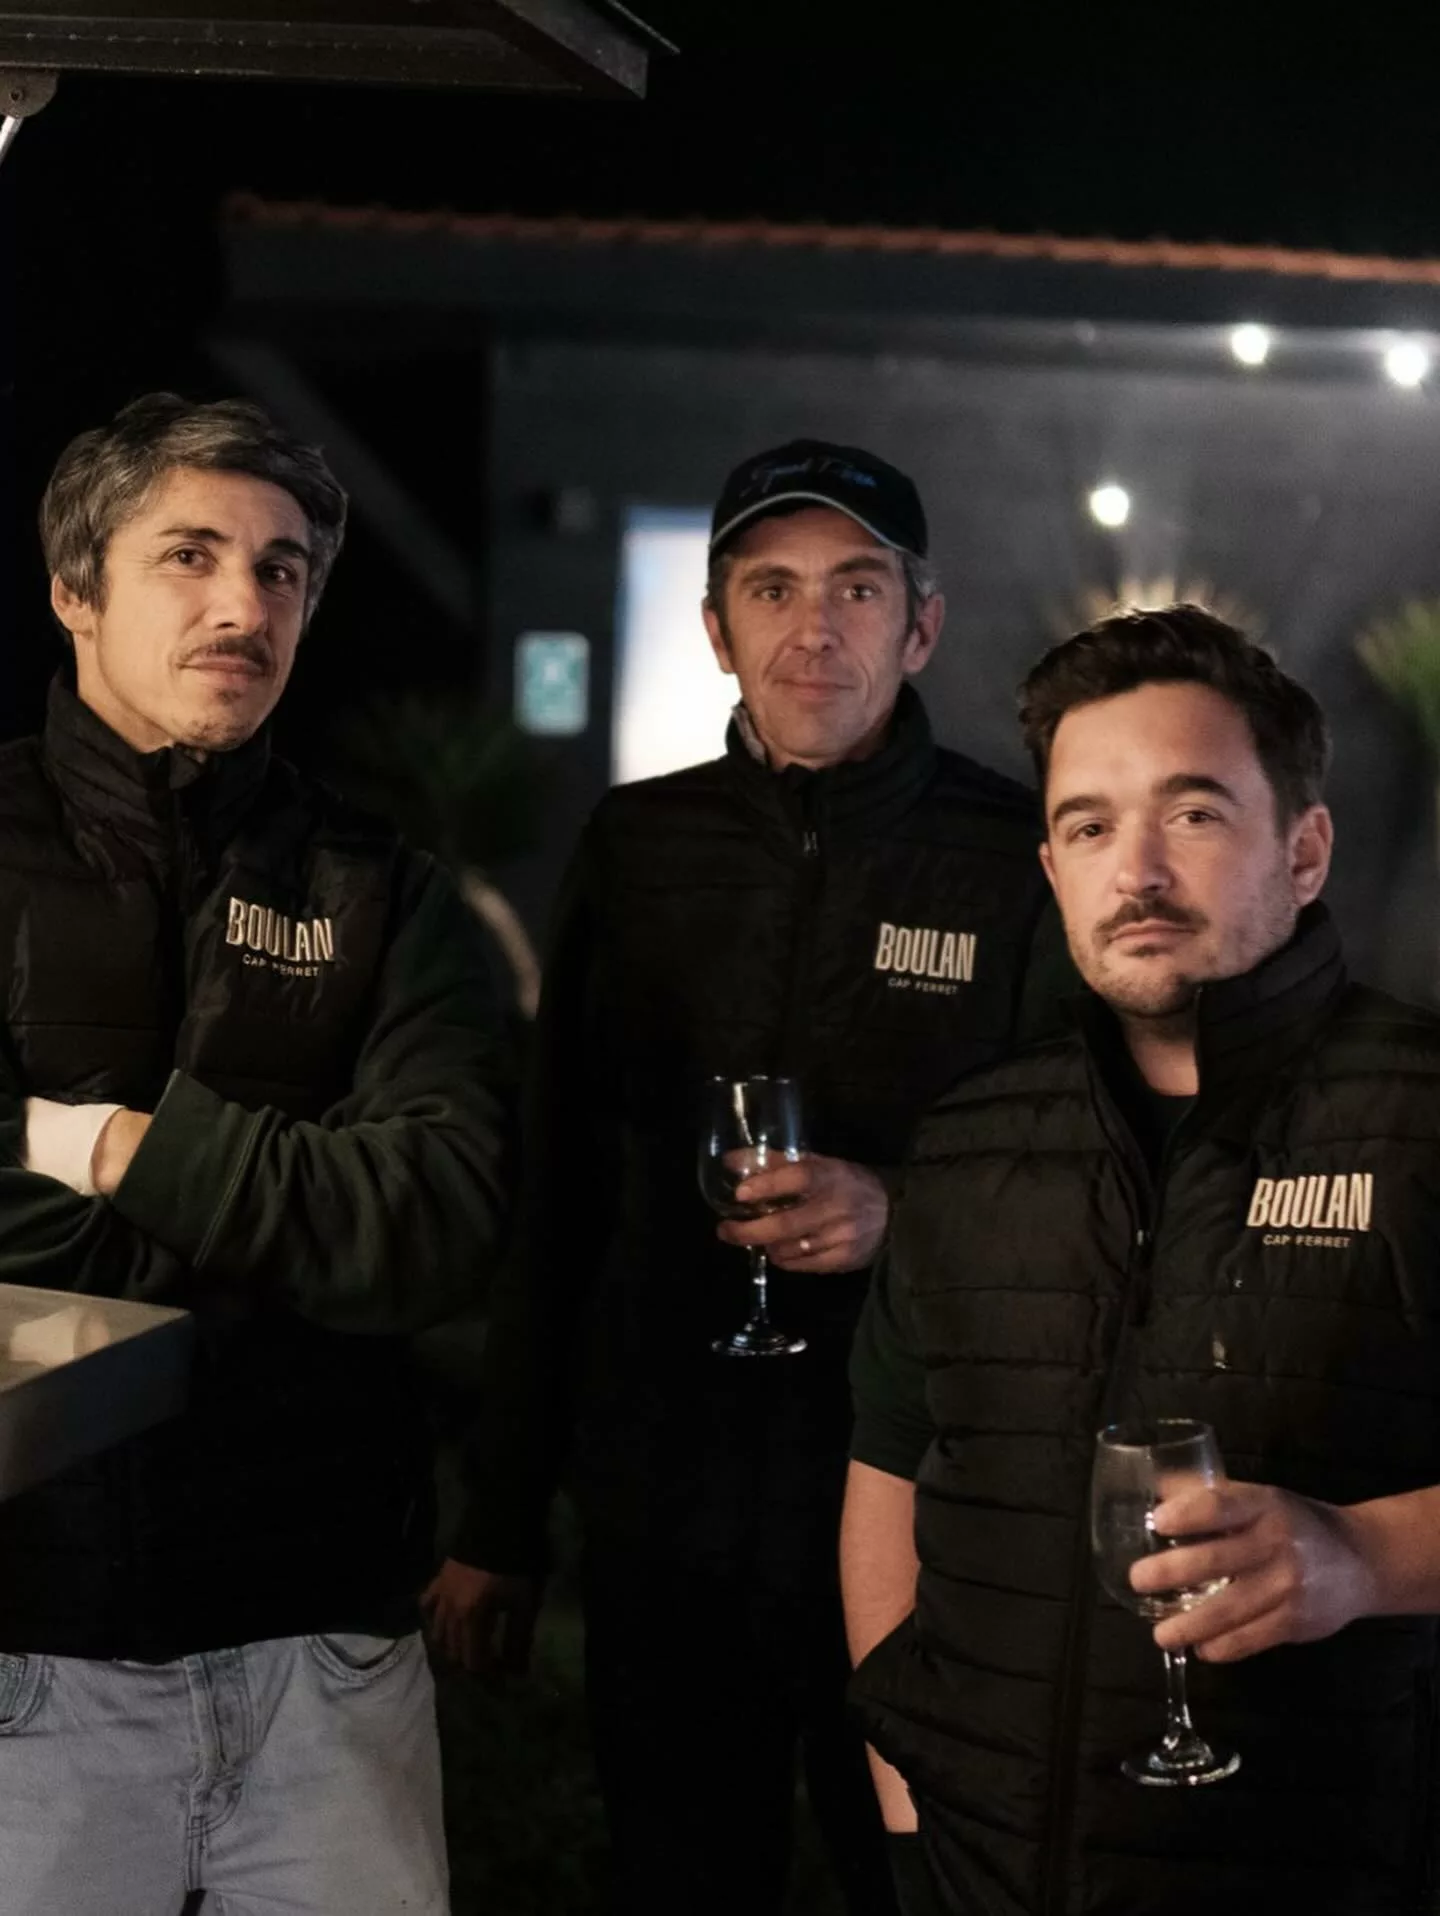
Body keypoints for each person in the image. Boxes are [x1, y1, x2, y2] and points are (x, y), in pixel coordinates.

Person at [425, 440, 1065, 1914]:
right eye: (771, 589)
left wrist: (903, 1214)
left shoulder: (1011, 859)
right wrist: (503, 1517)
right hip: (668, 1508)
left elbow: (1073, 1174)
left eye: (857, 588)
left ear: (922, 625)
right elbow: (561, 1189)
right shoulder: (639, 847)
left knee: (918, 1890)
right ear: (718, 628)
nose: (812, 627)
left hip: (923, 1518)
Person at [843, 603, 1440, 1916]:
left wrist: (1364, 1556)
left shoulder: (1422, 1117)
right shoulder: (970, 1142)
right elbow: (888, 1475)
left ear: (1306, 848)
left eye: (1195, 813)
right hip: (974, 1878)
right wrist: (908, 1807)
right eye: (1090, 827)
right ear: (1052, 870)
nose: (1139, 872)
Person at [0, 393, 513, 1915]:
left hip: (328, 1663)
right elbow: (359, 1232)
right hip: (30, 1656)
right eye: (190, 555)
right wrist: (294, 1228)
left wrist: (96, 1143)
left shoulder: (388, 894)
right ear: (74, 588)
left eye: (281, 568)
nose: (245, 602)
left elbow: (439, 1226)